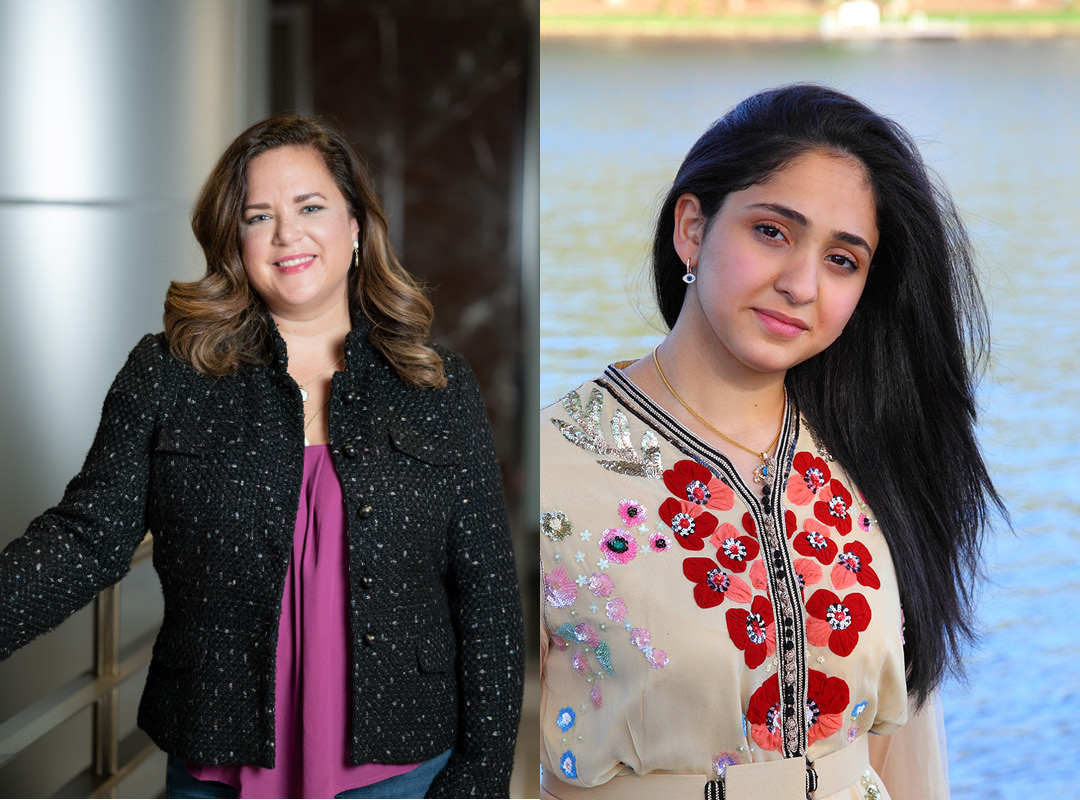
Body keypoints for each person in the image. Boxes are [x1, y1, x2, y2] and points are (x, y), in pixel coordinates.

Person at [0, 114, 524, 799]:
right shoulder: (168, 373)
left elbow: (486, 592)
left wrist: (482, 778)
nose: (287, 234)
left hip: (401, 770)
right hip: (216, 763)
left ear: (357, 224)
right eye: (258, 216)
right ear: (233, 241)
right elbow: (84, 539)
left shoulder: (435, 384)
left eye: (310, 207)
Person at [539, 84, 1004, 800]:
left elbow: (908, 745)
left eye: (842, 260)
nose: (800, 285)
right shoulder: (547, 471)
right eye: (772, 232)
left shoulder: (874, 452)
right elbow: (491, 763)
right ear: (692, 227)